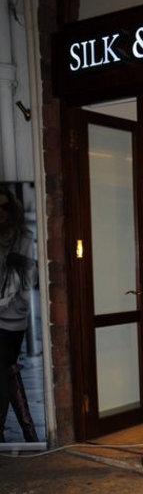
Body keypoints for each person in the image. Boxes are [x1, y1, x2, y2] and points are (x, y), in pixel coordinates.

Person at [0, 184, 38, 443]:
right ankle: (27, 432)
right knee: (5, 371)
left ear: (12, 209)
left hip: (13, 318)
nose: (1, 212)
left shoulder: (23, 238)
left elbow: (23, 281)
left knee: (5, 368)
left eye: (4, 207)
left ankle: (27, 431)